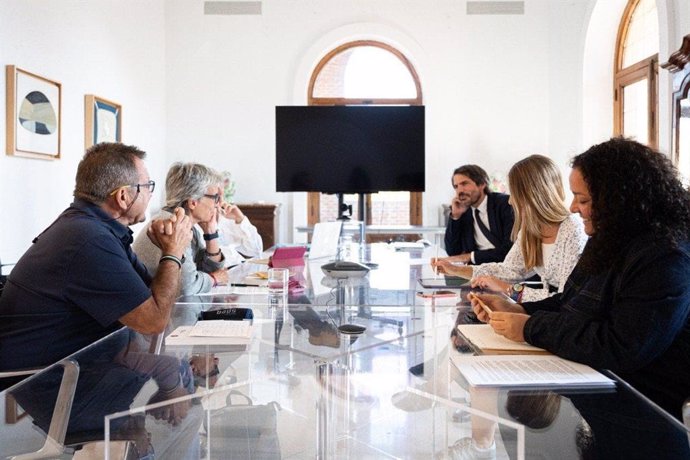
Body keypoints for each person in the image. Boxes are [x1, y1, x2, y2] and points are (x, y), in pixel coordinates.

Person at [470, 138, 690, 420]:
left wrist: (529, 327)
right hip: (598, 394)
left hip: (645, 410)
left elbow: (621, 346)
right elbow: (570, 299)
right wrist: (520, 309)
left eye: (583, 199)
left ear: (620, 200)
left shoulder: (666, 257)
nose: (573, 208)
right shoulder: (610, 238)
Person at [0, 143, 192, 380]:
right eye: (147, 186)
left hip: (83, 366)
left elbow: (151, 297)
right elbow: (154, 322)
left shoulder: (95, 229)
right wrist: (173, 251)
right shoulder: (89, 240)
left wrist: (169, 249)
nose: (151, 193)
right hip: (44, 382)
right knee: (182, 374)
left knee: (175, 369)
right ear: (123, 196)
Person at [433, 155, 588, 302]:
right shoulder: (530, 230)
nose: (511, 201)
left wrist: (509, 289)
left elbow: (566, 298)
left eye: (515, 194)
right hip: (548, 312)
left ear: (533, 194)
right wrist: (454, 269)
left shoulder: (572, 229)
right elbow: (509, 270)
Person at [133, 162, 229, 295]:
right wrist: (214, 279)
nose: (219, 204)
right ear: (193, 202)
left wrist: (211, 234)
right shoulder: (171, 225)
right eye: (215, 198)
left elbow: (205, 271)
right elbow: (187, 287)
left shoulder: (186, 224)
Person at [442, 164, 514, 264]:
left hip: (507, 267)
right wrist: (456, 216)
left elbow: (511, 249)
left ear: (482, 184)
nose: (460, 190)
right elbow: (453, 251)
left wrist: (470, 256)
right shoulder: (464, 212)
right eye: (456, 186)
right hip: (480, 271)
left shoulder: (505, 204)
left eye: (464, 184)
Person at [217, 171, 263, 266]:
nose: (221, 201)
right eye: (216, 196)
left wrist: (241, 220)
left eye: (222, 195)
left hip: (239, 272)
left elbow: (255, 251)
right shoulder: (196, 226)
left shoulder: (226, 219)